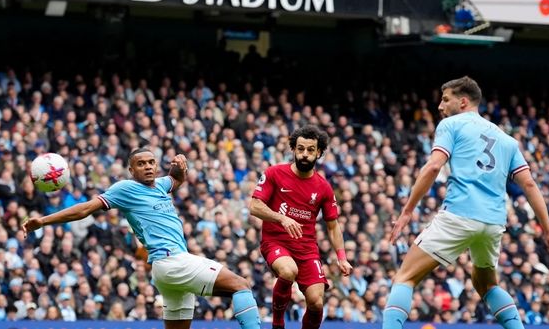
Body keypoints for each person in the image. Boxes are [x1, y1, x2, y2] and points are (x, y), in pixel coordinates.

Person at [383, 76, 549, 329]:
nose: (440, 106)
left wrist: (407, 211)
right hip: (493, 223)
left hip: (459, 214)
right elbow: (530, 185)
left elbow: (434, 165)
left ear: (463, 101)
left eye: (445, 99)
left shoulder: (451, 125)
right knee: (487, 284)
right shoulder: (507, 140)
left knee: (405, 277)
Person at [22, 148, 261, 329]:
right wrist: (43, 221)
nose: (147, 167)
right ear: (131, 170)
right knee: (241, 286)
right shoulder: (124, 188)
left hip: (166, 272)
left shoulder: (159, 185)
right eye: (141, 164)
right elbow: (85, 209)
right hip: (174, 262)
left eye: (151, 162)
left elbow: (175, 180)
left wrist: (180, 168)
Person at [249, 125, 353, 329]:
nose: (305, 154)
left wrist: (342, 257)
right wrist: (282, 218)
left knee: (316, 303)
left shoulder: (323, 187)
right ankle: (278, 323)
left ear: (319, 152)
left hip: (307, 250)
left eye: (310, 150)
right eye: (300, 149)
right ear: (293, 150)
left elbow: (333, 226)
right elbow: (254, 206)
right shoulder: (274, 173)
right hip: (275, 242)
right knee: (288, 271)